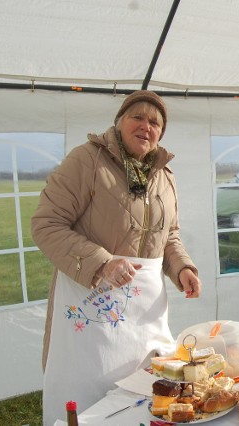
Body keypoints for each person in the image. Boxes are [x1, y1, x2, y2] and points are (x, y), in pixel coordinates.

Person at [31, 90, 202, 425]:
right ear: (120, 122)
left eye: (155, 123)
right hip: (91, 297)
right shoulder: (87, 160)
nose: (146, 126)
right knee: (90, 394)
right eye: (137, 117)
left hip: (144, 310)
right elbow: (45, 224)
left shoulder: (165, 176)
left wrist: (182, 268)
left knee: (147, 389)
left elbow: (169, 237)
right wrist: (102, 262)